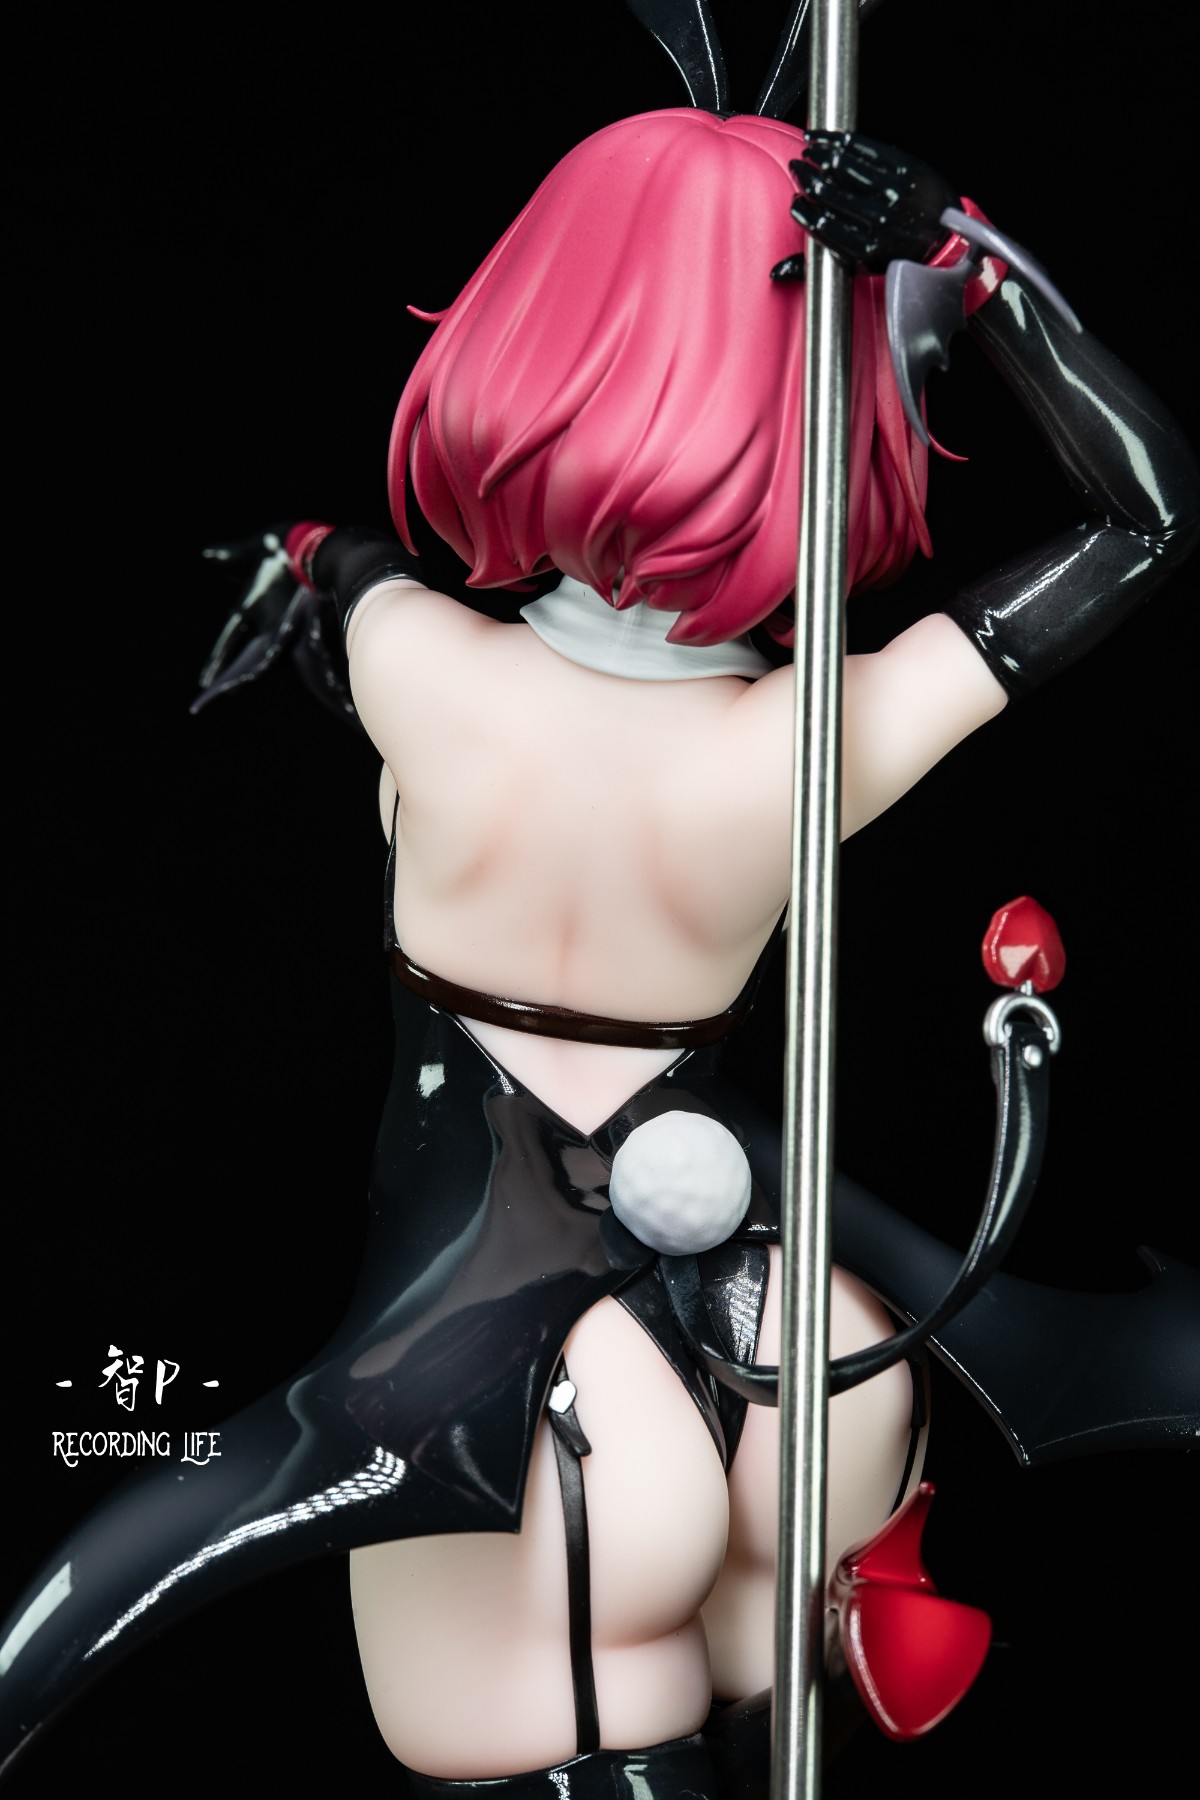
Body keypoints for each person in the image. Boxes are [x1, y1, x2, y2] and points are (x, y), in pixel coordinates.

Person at [1, 102, 1195, 1799]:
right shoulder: (814, 745)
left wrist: (295, 566)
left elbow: (340, 572)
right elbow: (1144, 522)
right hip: (803, 1348)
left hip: (500, 1388)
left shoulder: (422, 668)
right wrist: (969, 264)